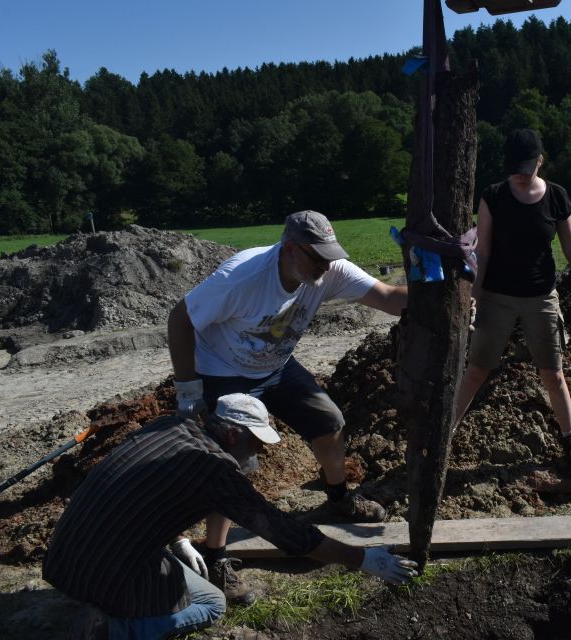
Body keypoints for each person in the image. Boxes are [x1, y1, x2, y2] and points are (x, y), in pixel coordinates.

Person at [167, 210, 406, 604]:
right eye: (318, 257)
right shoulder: (242, 278)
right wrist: (189, 391)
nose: (326, 265)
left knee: (330, 423)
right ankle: (217, 555)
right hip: (223, 372)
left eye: (330, 256)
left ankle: (339, 500)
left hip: (275, 366)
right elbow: (180, 318)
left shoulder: (329, 269)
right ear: (290, 249)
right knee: (231, 462)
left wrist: (445, 288)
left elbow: (389, 298)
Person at [43, 393, 417, 640]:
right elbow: (287, 534)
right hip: (101, 568)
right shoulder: (215, 470)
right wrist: (364, 558)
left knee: (177, 574)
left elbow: (140, 491)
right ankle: (110, 630)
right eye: (255, 443)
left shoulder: (170, 426)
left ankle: (107, 596)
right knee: (210, 604)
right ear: (234, 434)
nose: (258, 454)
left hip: (64, 554)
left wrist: (177, 540)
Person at [453, 128, 571, 480]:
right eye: (514, 167)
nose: (520, 174)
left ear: (540, 161)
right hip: (497, 297)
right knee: (476, 371)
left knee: (553, 373)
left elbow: (570, 248)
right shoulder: (493, 197)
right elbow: (483, 253)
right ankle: (445, 437)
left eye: (527, 166)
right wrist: (472, 299)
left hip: (541, 297)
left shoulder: (557, 198)